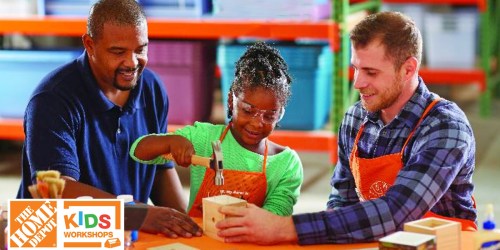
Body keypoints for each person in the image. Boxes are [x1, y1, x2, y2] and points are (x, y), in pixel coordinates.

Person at [215, 11, 477, 245]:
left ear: (408, 69)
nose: (358, 83)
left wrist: (285, 228)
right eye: (355, 68)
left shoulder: (445, 127)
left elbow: (396, 212)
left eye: (371, 72)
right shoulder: (355, 119)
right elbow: (342, 201)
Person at [17, 0, 201, 238]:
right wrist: (138, 213)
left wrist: (186, 223)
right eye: (118, 52)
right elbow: (54, 189)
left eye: (140, 49)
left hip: (124, 233)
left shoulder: (152, 89)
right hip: (54, 235)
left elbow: (158, 169)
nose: (132, 63)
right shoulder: (52, 100)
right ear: (90, 45)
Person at [130, 41, 304, 217]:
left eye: (269, 116)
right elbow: (137, 151)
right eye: (248, 110)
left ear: (280, 113)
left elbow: (276, 217)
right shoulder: (204, 138)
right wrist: (170, 142)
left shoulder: (286, 164)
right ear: (231, 100)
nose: (257, 123)